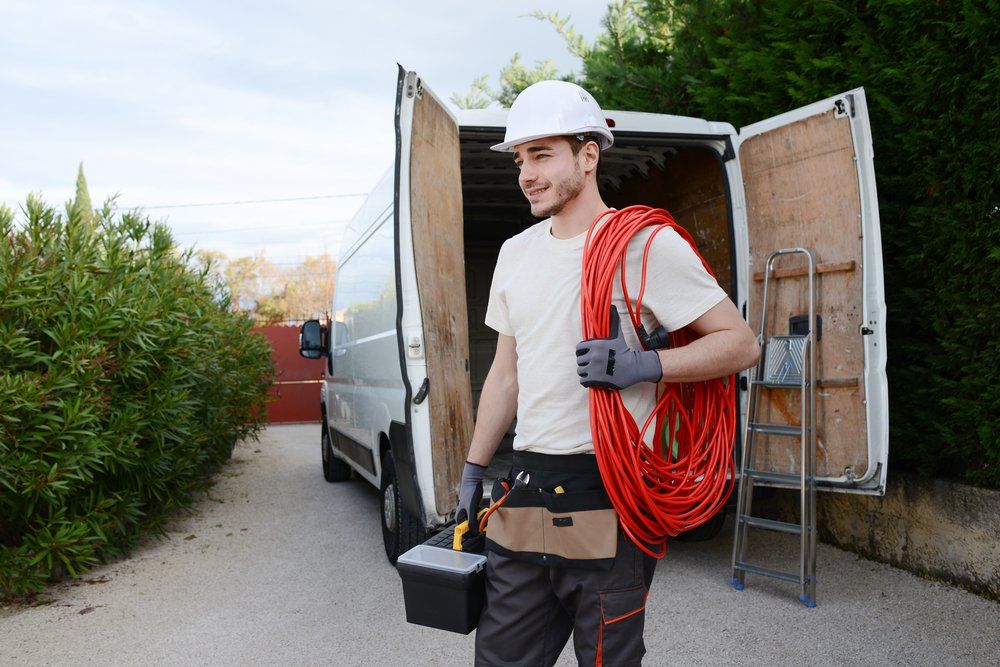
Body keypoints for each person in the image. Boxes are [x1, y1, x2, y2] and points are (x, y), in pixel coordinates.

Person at [457, 80, 759, 667]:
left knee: (606, 659)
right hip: (526, 488)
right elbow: (505, 376)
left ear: (588, 154)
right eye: (521, 159)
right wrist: (474, 468)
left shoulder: (642, 245)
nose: (526, 174)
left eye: (542, 155)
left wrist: (644, 364)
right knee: (500, 658)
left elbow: (739, 344)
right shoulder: (514, 254)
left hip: (611, 494)